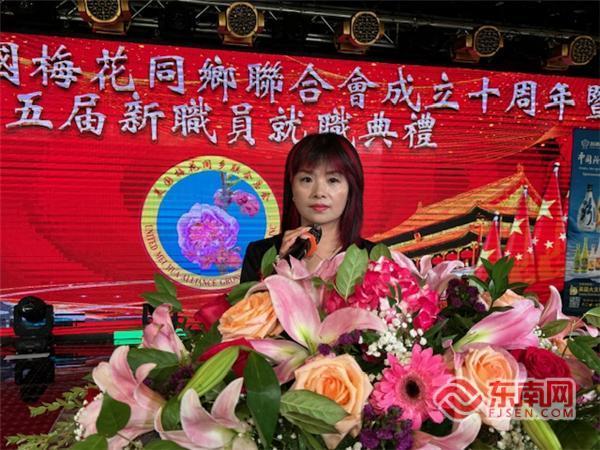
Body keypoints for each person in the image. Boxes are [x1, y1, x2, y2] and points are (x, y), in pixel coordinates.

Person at [240, 133, 375, 282]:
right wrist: (282, 265)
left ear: (351, 190)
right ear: (292, 189)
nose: (319, 192)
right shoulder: (260, 254)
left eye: (332, 180)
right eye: (307, 179)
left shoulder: (375, 259)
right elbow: (251, 298)